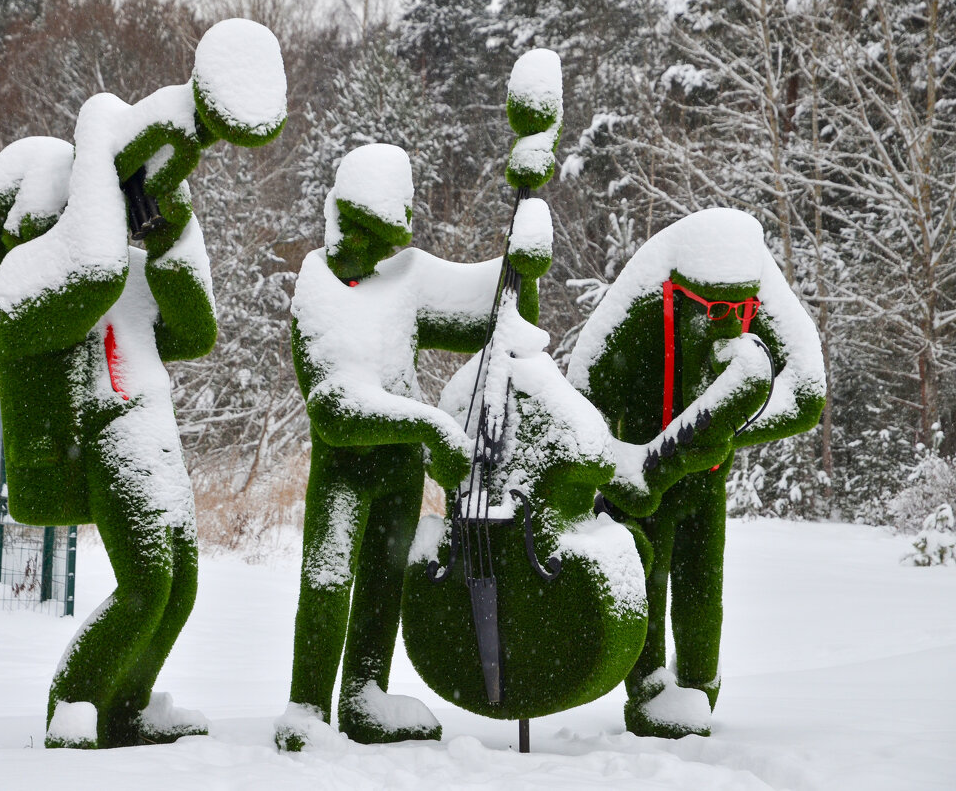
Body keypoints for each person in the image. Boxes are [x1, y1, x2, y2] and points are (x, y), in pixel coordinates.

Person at [0, 19, 286, 749]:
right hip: (104, 437)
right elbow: (92, 270)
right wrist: (98, 138)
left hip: (154, 431)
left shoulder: (119, 270)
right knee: (146, 581)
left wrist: (167, 223)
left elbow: (194, 329)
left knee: (178, 586)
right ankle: (75, 703)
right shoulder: (25, 281)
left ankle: (128, 704)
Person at [274, 143, 553, 749]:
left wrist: (523, 257)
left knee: (384, 580)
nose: (375, 253)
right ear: (340, 222)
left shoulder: (403, 280)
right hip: (346, 470)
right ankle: (307, 707)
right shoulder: (317, 290)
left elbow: (501, 317)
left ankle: (363, 695)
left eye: (385, 241)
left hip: (399, 470)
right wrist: (430, 426)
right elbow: (337, 409)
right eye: (367, 237)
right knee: (328, 581)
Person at [567, 208, 826, 738]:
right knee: (648, 583)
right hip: (641, 477)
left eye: (739, 308)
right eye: (713, 308)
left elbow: (805, 394)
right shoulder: (645, 292)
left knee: (702, 588)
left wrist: (718, 433)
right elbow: (580, 400)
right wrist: (624, 467)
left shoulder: (757, 280)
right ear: (679, 292)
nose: (729, 319)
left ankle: (702, 689)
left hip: (704, 478)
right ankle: (648, 692)